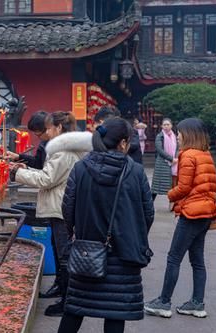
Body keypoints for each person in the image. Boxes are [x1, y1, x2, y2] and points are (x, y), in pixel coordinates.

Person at [59, 118, 154, 333]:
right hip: (124, 255)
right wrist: (133, 236)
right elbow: (148, 213)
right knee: (115, 314)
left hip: (87, 251)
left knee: (75, 309)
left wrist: (76, 233)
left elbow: (68, 208)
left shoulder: (81, 168)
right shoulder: (135, 171)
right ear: (122, 143)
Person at [10, 111, 93, 316]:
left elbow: (47, 180)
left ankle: (67, 301)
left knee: (64, 253)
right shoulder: (65, 148)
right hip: (62, 204)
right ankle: (62, 291)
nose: (46, 133)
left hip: (61, 206)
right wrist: (25, 169)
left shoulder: (63, 152)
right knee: (59, 249)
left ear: (58, 128)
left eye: (48, 128)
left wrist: (16, 173)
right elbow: (50, 175)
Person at [144, 118, 216, 319]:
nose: (177, 136)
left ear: (188, 134)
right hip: (206, 213)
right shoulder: (206, 155)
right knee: (197, 261)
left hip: (192, 213)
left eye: (179, 132)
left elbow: (184, 187)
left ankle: (164, 302)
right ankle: (197, 303)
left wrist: (168, 195)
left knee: (174, 258)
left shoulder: (187, 156)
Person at [151, 118, 178, 202]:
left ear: (171, 125)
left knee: (172, 185)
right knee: (156, 187)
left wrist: (175, 158)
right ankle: (149, 203)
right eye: (164, 125)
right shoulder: (160, 136)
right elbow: (160, 150)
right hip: (162, 163)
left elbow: (177, 148)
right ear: (162, 126)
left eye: (168, 124)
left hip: (173, 163)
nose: (166, 126)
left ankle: (173, 204)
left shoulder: (174, 136)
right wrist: (171, 158)